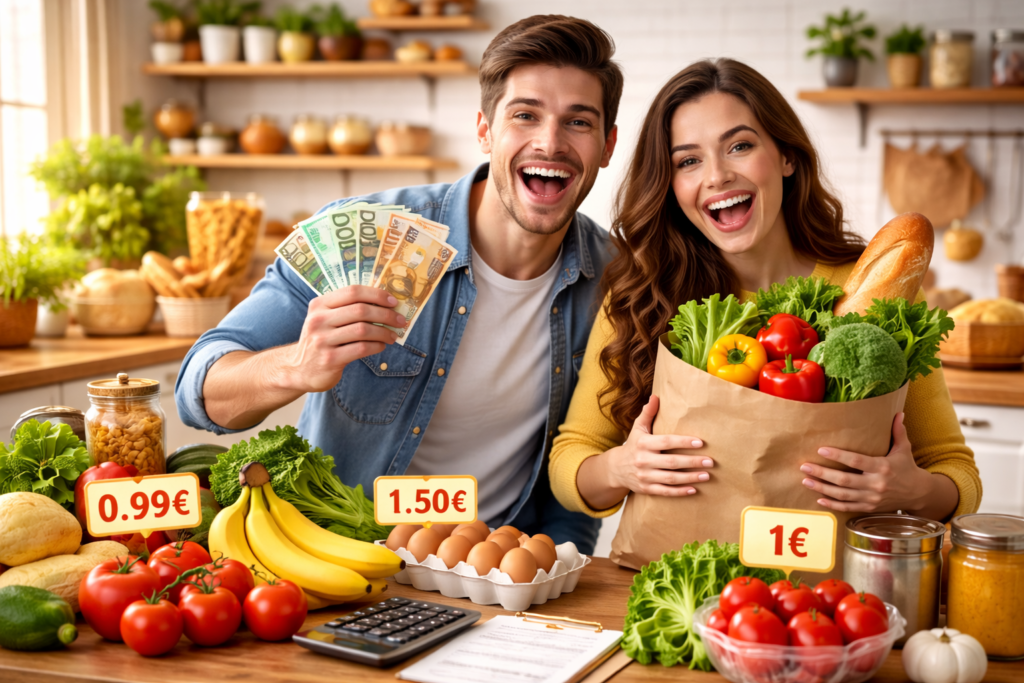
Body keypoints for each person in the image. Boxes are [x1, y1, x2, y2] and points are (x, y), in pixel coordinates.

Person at [175, 15, 623, 553]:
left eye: (578, 122)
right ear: (485, 130)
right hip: (342, 556)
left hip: (500, 572)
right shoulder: (370, 233)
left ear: (607, 145)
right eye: (525, 115)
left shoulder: (616, 281)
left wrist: (557, 567)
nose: (550, 142)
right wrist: (297, 366)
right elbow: (198, 390)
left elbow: (576, 466)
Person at [549, 58, 980, 526]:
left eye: (739, 146)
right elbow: (571, 459)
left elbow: (955, 471)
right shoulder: (644, 294)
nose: (716, 176)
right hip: (688, 580)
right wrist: (622, 467)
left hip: (827, 592)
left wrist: (910, 490)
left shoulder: (873, 295)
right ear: (671, 186)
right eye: (688, 161)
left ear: (787, 157)